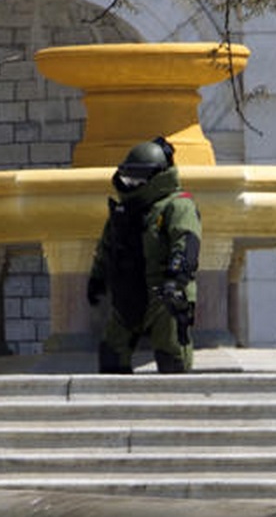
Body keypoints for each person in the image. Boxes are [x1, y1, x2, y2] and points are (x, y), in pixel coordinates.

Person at [87, 136, 202, 374]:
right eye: (129, 176)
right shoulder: (124, 211)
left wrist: (176, 279)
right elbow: (107, 246)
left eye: (138, 177)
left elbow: (186, 242)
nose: (131, 183)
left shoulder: (177, 205)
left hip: (164, 296)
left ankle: (177, 407)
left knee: (172, 357)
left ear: (156, 177)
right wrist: (97, 278)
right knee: (111, 355)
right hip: (128, 295)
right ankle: (115, 408)